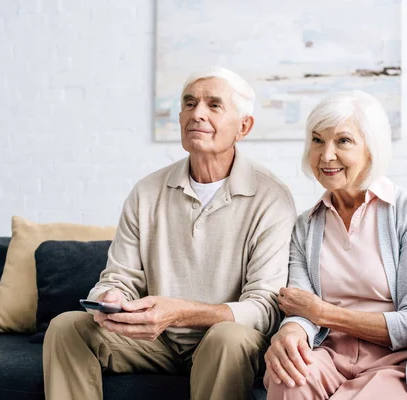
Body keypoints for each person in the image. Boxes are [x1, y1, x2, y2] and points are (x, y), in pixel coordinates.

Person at [43, 66, 297, 400]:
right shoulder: (146, 191)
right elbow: (118, 277)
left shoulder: (272, 197)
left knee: (227, 338)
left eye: (214, 105)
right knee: (66, 327)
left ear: (244, 127)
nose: (197, 114)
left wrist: (182, 312)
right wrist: (110, 299)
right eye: (189, 104)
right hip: (155, 339)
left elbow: (265, 307)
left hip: (224, 340)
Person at [264, 90, 407, 400]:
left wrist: (322, 312)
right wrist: (290, 332)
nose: (326, 155)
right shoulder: (305, 225)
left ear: (371, 150)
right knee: (287, 379)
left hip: (394, 362)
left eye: (343, 141)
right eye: (318, 140)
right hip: (327, 354)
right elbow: (299, 307)